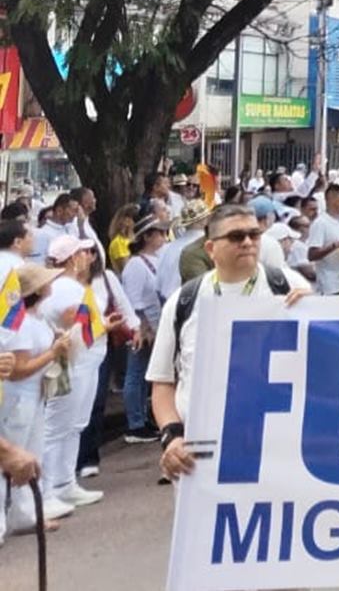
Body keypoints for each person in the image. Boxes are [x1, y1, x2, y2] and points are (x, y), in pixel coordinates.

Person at [150, 204, 309, 483]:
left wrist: (311, 316)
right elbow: (162, 383)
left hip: (279, 450)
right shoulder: (184, 302)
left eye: (254, 234)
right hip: (204, 458)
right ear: (211, 249)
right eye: (236, 237)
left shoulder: (290, 287)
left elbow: (324, 363)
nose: (248, 242)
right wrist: (172, 437)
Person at [38, 235, 127, 508]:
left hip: (86, 360)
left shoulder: (73, 285)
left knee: (74, 425)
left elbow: (85, 321)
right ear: (71, 258)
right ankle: (49, 489)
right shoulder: (64, 287)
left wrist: (102, 324)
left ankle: (65, 483)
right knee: (58, 426)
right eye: (83, 253)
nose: (88, 258)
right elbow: (73, 320)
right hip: (73, 362)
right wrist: (99, 324)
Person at [1, 263, 75, 534]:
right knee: (12, 458)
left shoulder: (37, 318)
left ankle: (24, 515)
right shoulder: (20, 323)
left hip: (34, 395)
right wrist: (53, 353)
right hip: (19, 397)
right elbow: (18, 371)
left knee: (31, 454)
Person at [119, 215, 168, 443]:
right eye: (159, 233)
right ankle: (134, 423)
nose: (163, 237)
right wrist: (143, 327)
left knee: (144, 375)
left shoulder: (155, 260)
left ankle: (142, 417)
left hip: (155, 324)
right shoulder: (135, 265)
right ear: (147, 236)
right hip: (142, 327)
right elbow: (133, 300)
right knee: (135, 373)